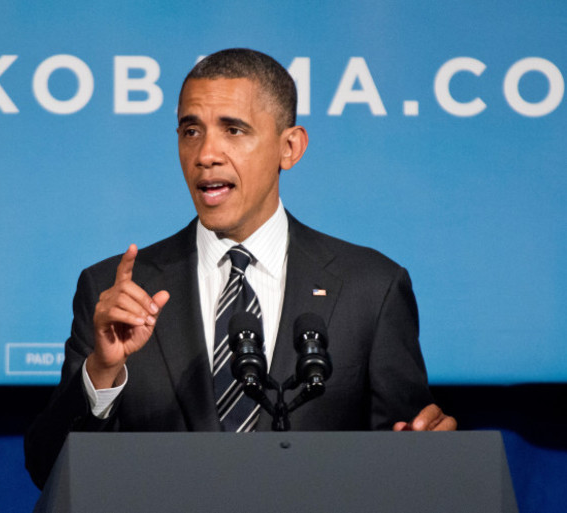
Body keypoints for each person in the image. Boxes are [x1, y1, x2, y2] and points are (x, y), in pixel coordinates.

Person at [25, 48, 456, 490]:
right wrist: (102, 373)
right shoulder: (117, 289)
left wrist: (426, 453)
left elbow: (408, 457)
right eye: (191, 130)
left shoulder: (372, 287)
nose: (206, 154)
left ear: (289, 148)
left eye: (233, 130)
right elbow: (48, 470)